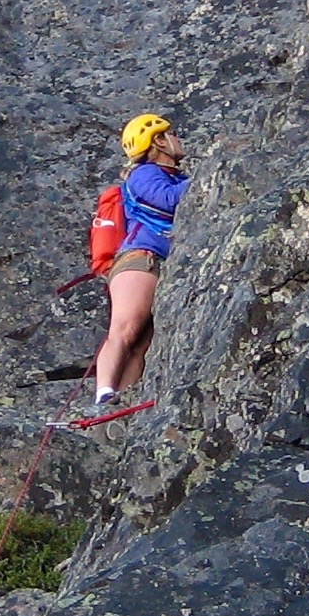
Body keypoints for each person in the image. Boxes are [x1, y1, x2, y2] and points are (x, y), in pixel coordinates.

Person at [91, 114, 186, 409]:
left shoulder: (174, 176)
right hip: (139, 257)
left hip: (155, 259)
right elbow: (168, 200)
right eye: (171, 133)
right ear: (158, 141)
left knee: (141, 340)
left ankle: (124, 398)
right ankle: (104, 392)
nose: (178, 139)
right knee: (125, 327)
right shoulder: (144, 174)